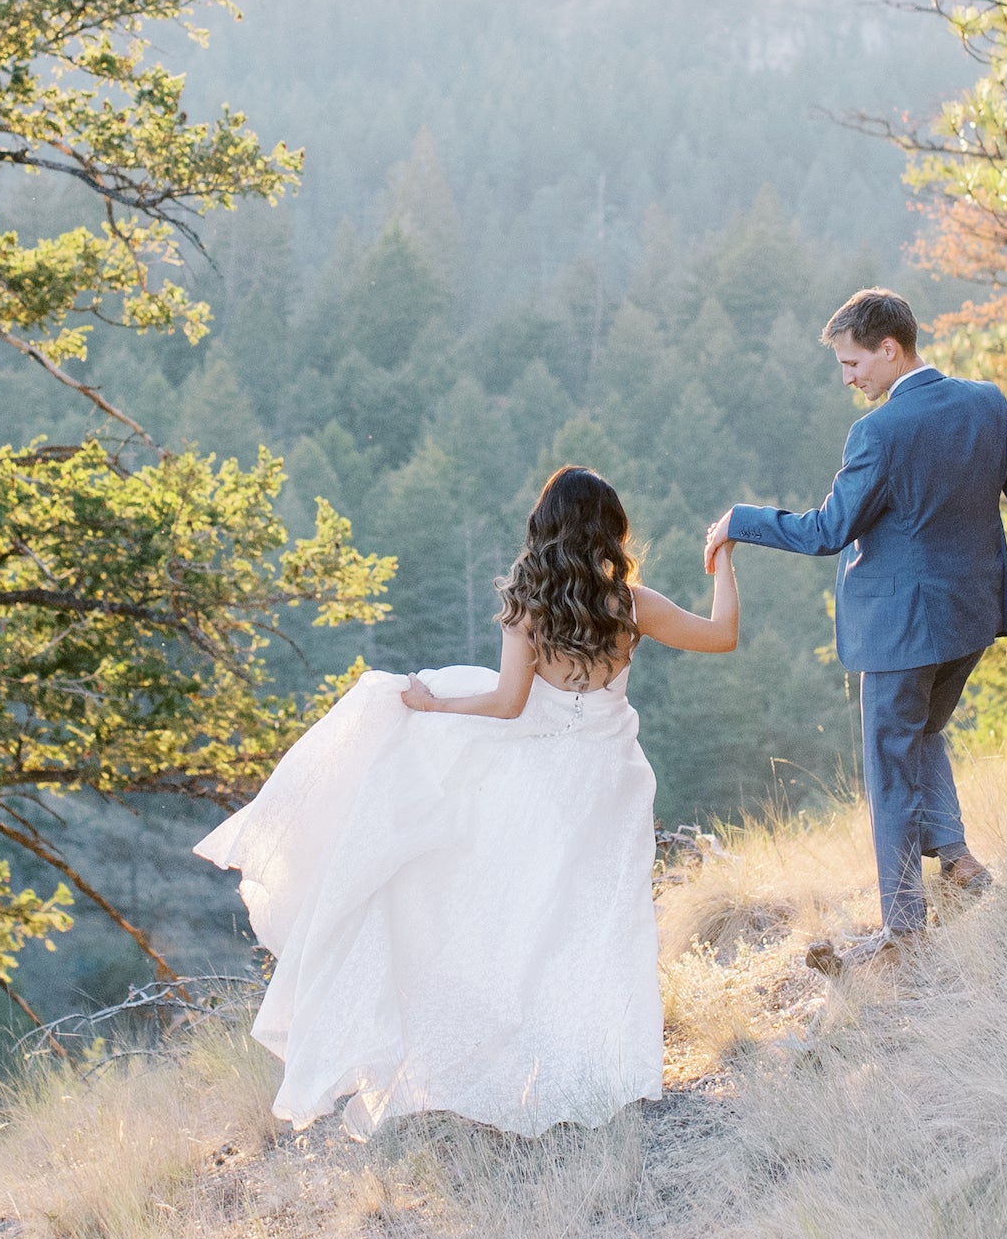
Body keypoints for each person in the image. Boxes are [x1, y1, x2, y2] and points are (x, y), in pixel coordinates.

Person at [194, 466, 738, 1137]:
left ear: (546, 526)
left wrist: (436, 703)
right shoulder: (632, 604)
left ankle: (523, 1057)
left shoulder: (530, 602)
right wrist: (723, 561)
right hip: (608, 780)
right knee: (603, 921)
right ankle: (614, 1069)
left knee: (527, 917)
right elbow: (722, 634)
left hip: (543, 781)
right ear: (610, 526)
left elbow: (507, 704)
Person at [705, 287, 1007, 959]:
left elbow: (828, 530)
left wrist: (739, 521)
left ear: (889, 349)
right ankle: (958, 862)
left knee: (891, 763)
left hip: (902, 630)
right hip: (976, 616)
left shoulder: (879, 431)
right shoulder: (986, 401)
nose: (847, 378)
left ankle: (903, 927)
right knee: (923, 731)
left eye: (852, 363)